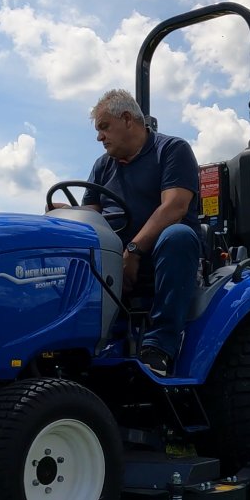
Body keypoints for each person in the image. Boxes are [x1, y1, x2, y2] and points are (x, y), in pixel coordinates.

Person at [81, 89, 202, 376]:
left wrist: (133, 252)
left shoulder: (171, 150)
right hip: (115, 256)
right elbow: (90, 216)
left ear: (127, 119)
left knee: (178, 235)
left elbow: (175, 206)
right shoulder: (102, 166)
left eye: (104, 127)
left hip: (159, 256)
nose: (99, 137)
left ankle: (159, 346)